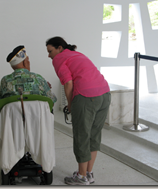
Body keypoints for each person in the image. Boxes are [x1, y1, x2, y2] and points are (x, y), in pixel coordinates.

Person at [46, 36, 111, 185]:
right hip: (105, 94)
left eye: (50, 51)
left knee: (82, 136)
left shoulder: (58, 59)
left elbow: (68, 83)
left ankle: (81, 177)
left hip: (87, 97)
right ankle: (88, 174)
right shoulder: (77, 54)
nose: (49, 55)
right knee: (94, 135)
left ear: (59, 48)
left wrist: (69, 105)